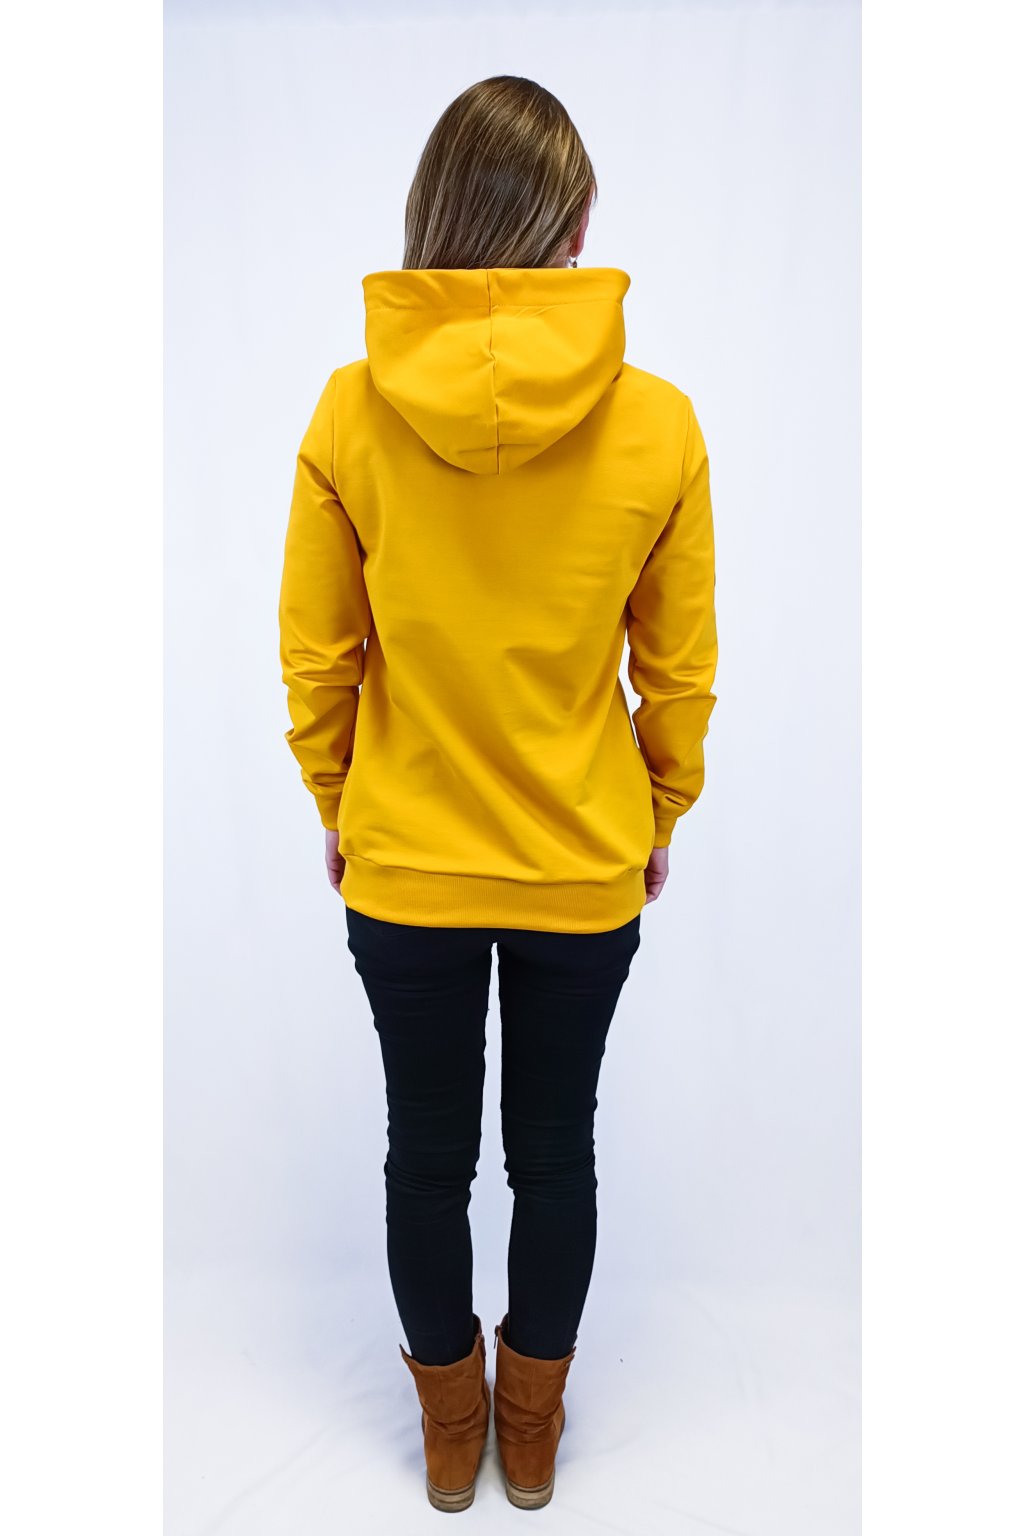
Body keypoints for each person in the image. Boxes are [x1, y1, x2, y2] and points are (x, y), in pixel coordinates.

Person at [278, 74, 718, 1513]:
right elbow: (679, 668)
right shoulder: (658, 424)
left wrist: (340, 800)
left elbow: (318, 655)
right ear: (573, 226)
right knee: (553, 1156)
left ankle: (449, 1433)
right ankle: (530, 1436)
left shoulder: (351, 413)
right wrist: (657, 808)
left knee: (425, 1161)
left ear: (435, 213)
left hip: (405, 864)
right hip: (583, 864)